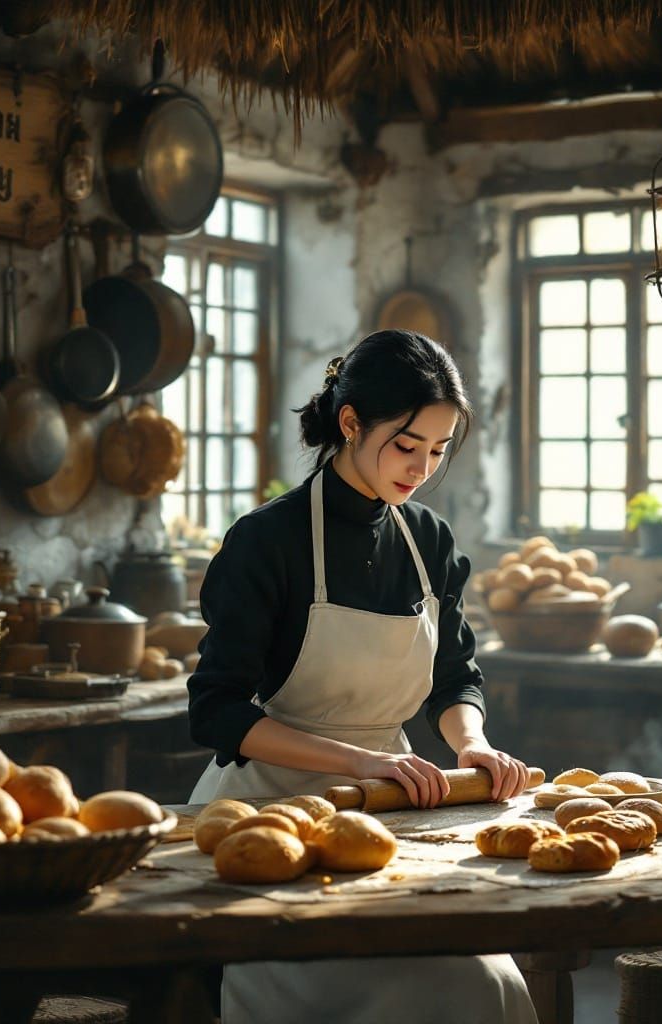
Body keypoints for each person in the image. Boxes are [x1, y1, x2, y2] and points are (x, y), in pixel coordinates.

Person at [188, 329, 539, 1024]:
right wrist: (360, 762)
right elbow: (217, 710)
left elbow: (454, 676)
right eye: (407, 446)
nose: (421, 469)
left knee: (487, 981)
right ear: (350, 423)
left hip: (389, 810)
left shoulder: (429, 539)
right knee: (427, 987)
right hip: (275, 822)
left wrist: (471, 744)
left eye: (437, 450)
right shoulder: (267, 540)